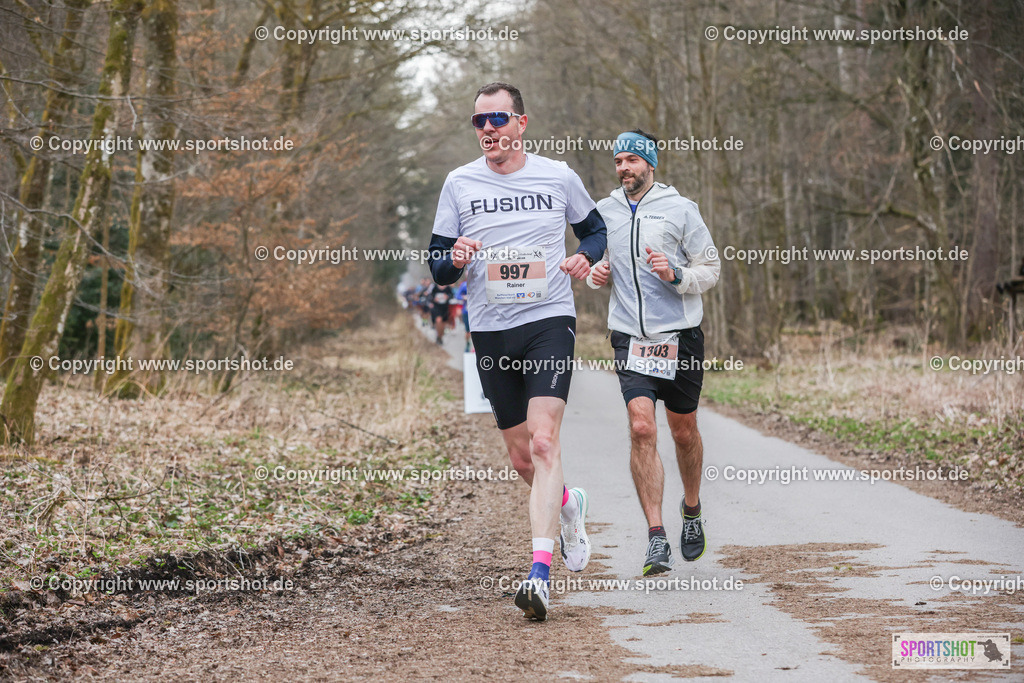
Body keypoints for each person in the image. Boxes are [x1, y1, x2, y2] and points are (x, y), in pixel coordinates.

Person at [427, 82, 607, 621]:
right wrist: (455, 257)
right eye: (479, 122)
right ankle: (569, 504)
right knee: (522, 457)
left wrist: (584, 257)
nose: (488, 130)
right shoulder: (459, 184)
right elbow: (438, 269)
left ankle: (539, 576)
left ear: (521, 124)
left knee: (546, 441)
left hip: (549, 319)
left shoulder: (557, 175)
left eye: (498, 119)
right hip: (491, 328)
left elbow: (595, 231)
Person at [588, 129, 720, 576]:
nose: (623, 167)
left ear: (650, 163)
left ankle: (691, 508)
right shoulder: (604, 211)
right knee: (642, 427)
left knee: (683, 432)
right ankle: (656, 537)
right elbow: (591, 266)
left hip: (680, 335)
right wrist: (596, 274)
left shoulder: (681, 209)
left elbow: (711, 268)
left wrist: (677, 272)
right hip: (630, 337)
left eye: (631, 159)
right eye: (618, 160)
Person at [454, 279, 472, 351]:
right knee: (468, 331)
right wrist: (464, 297)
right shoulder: (464, 285)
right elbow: (457, 296)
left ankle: (476, 348)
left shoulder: (482, 282)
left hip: (478, 312)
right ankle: (467, 344)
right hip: (466, 311)